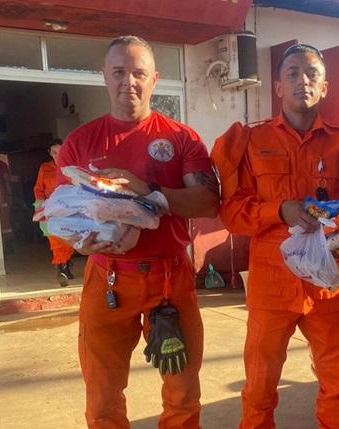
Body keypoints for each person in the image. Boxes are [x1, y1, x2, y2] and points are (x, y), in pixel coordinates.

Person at [211, 44, 339, 428]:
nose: (303, 80)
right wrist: (279, 210)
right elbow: (232, 213)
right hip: (272, 287)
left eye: (312, 74)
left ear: (325, 87)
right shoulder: (252, 142)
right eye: (293, 74)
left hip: (329, 284)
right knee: (259, 388)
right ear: (278, 87)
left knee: (338, 385)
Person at [56, 35, 219, 429]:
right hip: (106, 278)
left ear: (154, 79)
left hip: (170, 278)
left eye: (138, 73)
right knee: (102, 394)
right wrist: (78, 240)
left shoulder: (182, 138)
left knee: (182, 392)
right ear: (105, 77)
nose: (128, 81)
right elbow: (63, 213)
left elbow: (209, 203)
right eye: (119, 72)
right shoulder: (80, 142)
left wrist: (147, 191)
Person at [33, 139, 75, 286]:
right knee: (55, 239)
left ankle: (66, 266)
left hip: (69, 208)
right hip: (50, 208)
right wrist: (41, 206)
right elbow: (38, 188)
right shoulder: (45, 168)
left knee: (69, 238)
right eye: (54, 152)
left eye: (60, 151)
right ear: (50, 153)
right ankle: (61, 269)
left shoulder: (72, 167)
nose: (57, 155)